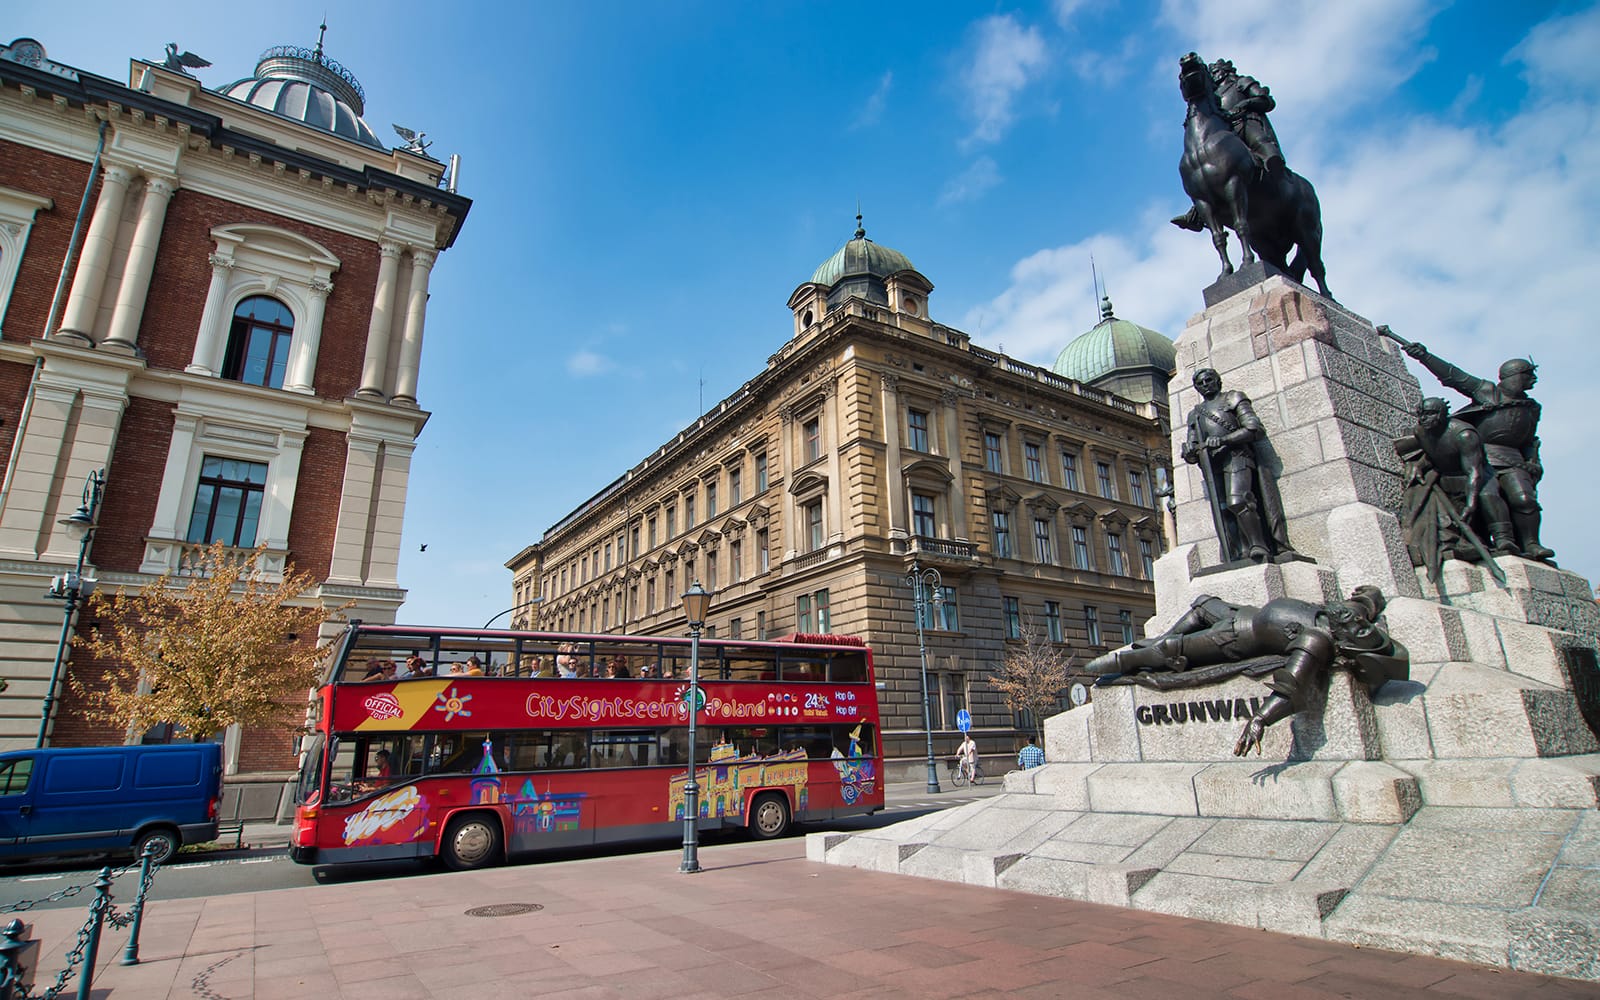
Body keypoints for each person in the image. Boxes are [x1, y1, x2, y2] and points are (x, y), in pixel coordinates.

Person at [1085, 586, 1408, 756]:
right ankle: (1162, 640)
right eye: (1362, 625)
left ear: (1348, 643)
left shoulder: (1316, 640)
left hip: (1234, 639)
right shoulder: (1340, 616)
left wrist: (1259, 719)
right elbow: (1366, 600)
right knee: (1202, 603)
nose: (1358, 623)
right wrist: (1370, 595)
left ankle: (1129, 659)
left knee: (1167, 652)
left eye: (1361, 630)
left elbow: (1290, 686)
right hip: (1239, 613)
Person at [1392, 331, 1553, 561]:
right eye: (1529, 375)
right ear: (1514, 376)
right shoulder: (1488, 392)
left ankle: (1532, 544)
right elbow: (1453, 375)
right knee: (1488, 497)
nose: (1533, 380)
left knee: (1524, 500)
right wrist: (1424, 356)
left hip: (1514, 460)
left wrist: (1532, 461)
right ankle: (1504, 540)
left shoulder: (1531, 407)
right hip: (1482, 455)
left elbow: (1528, 440)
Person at [1181, 368, 1300, 565]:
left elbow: (1253, 428)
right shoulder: (1195, 414)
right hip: (1213, 465)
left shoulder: (1233, 398)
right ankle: (1238, 551)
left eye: (1208, 380)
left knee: (1238, 501)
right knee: (1223, 510)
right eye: (1200, 383)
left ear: (1218, 381)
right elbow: (1193, 444)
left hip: (1237, 456)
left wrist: (1223, 440)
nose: (1205, 385)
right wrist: (1189, 453)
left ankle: (1258, 545)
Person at [1395, 397, 1518, 587]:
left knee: (1487, 498)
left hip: (1477, 476)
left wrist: (1471, 502)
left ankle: (1504, 540)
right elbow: (1435, 453)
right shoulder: (1421, 432)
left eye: (1429, 414)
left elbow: (1473, 471)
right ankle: (1467, 542)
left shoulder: (1464, 434)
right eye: (1421, 415)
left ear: (1443, 414)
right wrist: (1419, 466)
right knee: (1457, 519)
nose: (1423, 419)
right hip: (1447, 475)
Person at [1210, 58, 1283, 176]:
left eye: (1215, 72)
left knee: (1258, 140)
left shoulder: (1241, 82)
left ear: (1224, 71)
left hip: (1245, 121)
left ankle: (1272, 160)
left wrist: (1245, 104)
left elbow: (1266, 101)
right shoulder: (1214, 96)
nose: (1213, 76)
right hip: (1226, 129)